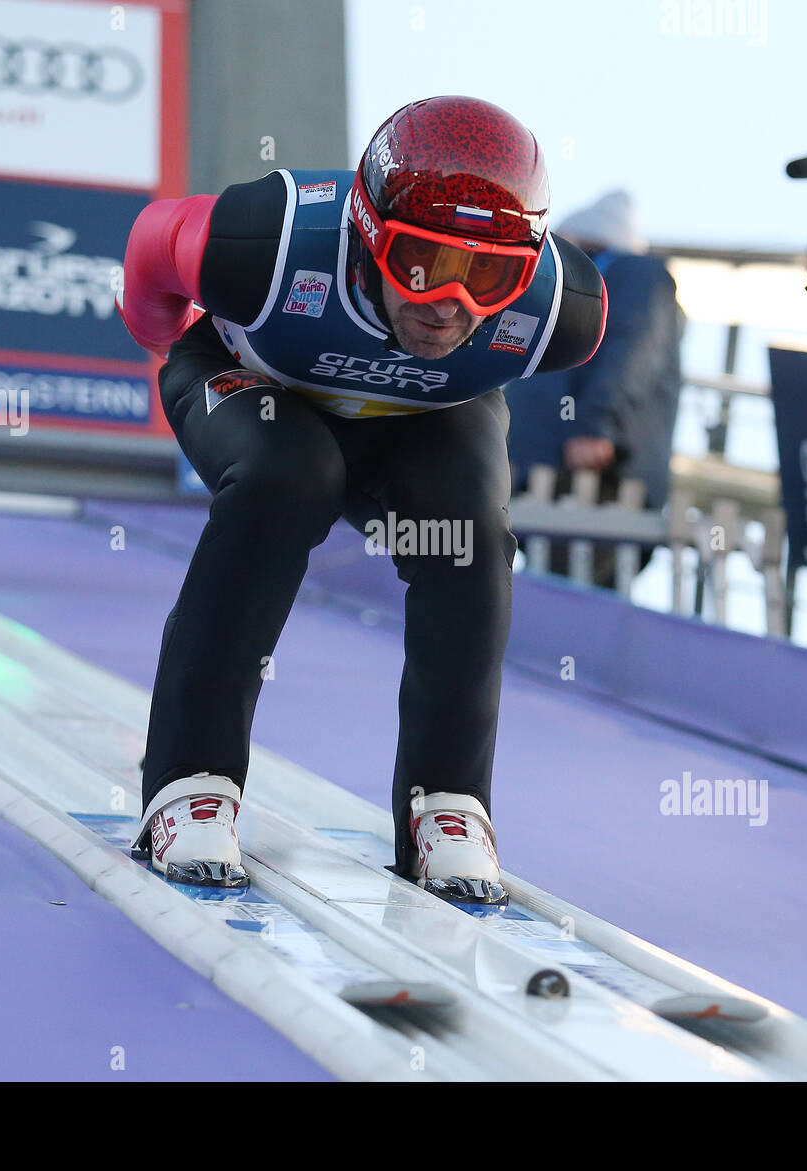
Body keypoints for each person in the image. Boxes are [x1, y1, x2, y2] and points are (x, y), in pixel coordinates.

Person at [116, 96, 607, 904]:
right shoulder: (263, 243)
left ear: (524, 269)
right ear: (366, 233)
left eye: (487, 275)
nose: (450, 304)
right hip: (261, 387)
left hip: (425, 417)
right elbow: (148, 249)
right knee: (288, 479)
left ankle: (448, 803)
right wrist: (156, 332)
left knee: (470, 530)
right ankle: (188, 780)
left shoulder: (562, 308)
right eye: (420, 263)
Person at [503, 190, 683, 586]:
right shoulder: (587, 283)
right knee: (572, 597)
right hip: (568, 471)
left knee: (561, 593)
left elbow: (632, 350)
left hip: (591, 469)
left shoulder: (636, 273)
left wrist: (597, 427)